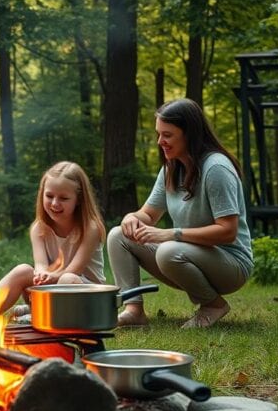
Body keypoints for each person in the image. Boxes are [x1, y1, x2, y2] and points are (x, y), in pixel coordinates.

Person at [108, 98, 253, 329]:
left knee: (168, 250)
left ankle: (213, 305)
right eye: (159, 134)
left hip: (230, 264)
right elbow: (148, 215)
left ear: (190, 134)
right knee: (118, 235)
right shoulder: (171, 168)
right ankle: (134, 310)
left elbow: (228, 231)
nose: (160, 142)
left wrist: (171, 234)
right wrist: (132, 218)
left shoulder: (216, 168)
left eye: (167, 135)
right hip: (187, 256)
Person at [0, 161, 107, 315]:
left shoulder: (90, 228)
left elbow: (74, 270)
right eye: (49, 196)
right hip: (53, 290)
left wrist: (51, 277)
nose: (54, 203)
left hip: (86, 296)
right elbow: (40, 265)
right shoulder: (39, 228)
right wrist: (41, 275)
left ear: (78, 200)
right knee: (23, 270)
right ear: (42, 193)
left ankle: (38, 315)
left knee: (67, 279)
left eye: (63, 198)